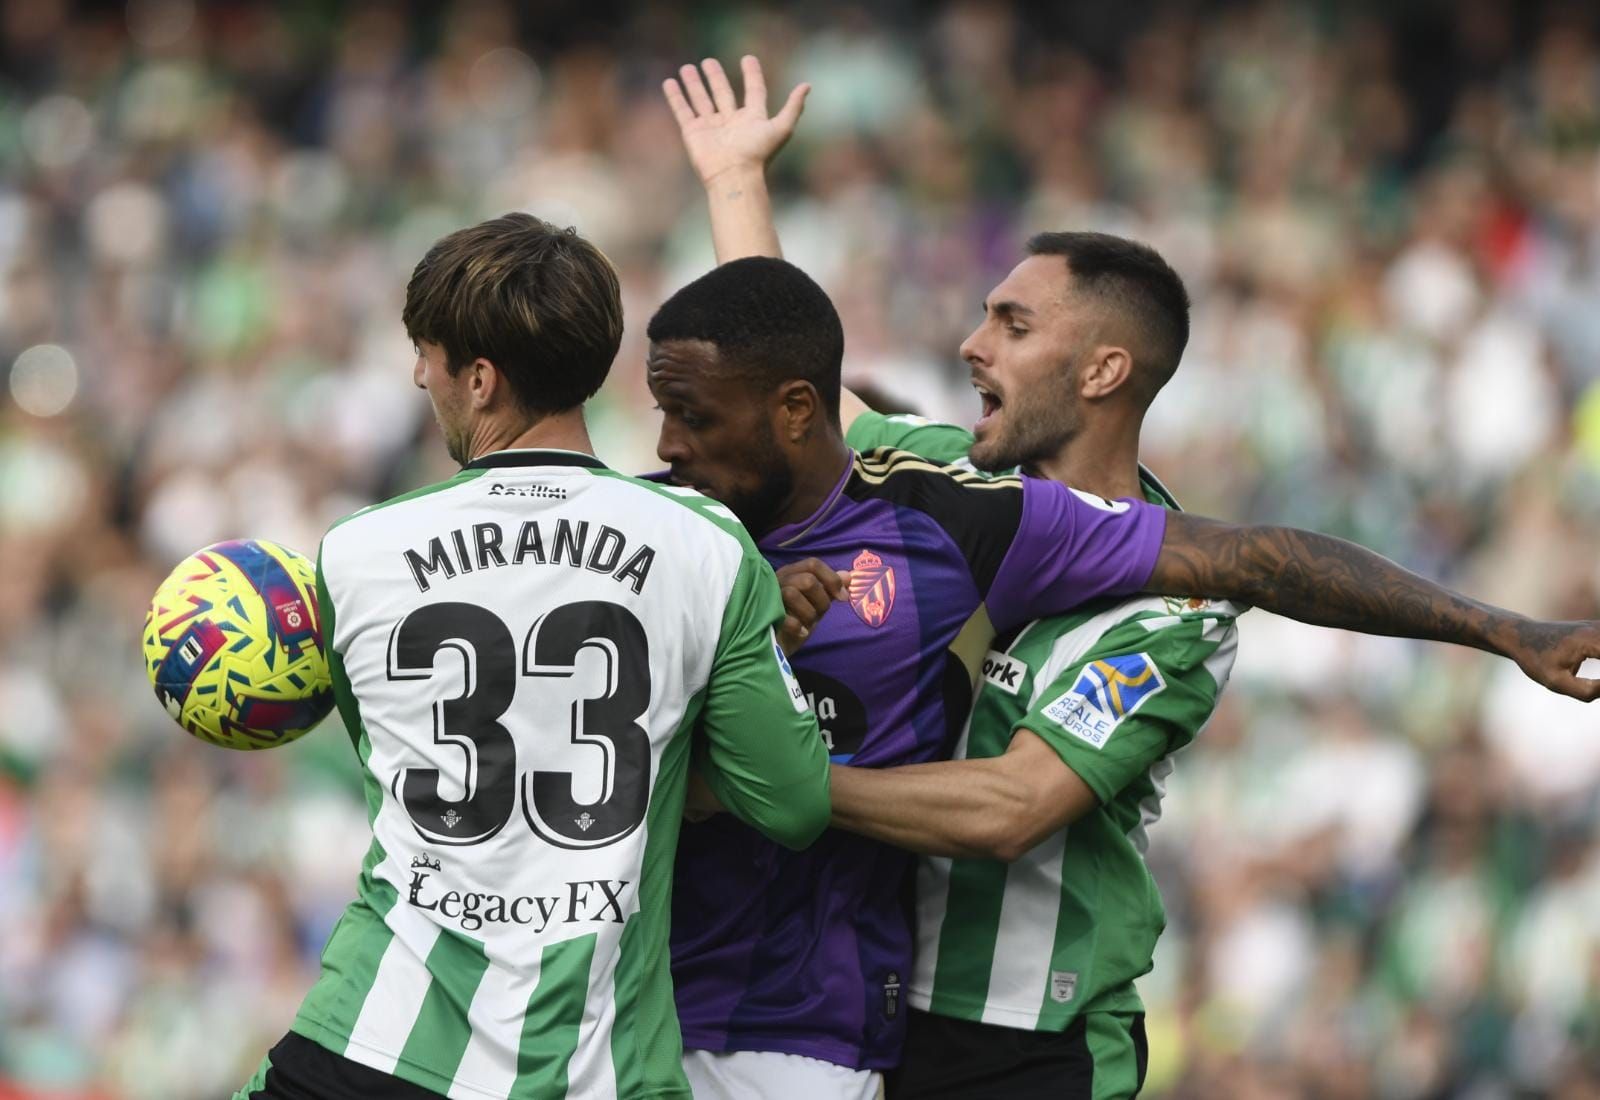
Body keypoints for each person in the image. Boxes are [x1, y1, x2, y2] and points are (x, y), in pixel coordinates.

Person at [657, 56, 1600, 1100]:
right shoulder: (945, 486)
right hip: (885, 1018)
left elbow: (1013, 803)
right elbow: (784, 389)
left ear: (1103, 371)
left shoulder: (1174, 608)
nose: (971, 344)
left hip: (1034, 1045)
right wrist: (735, 179)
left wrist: (768, 783)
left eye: (1013, 325)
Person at [233, 212, 833, 1100]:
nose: (419, 376)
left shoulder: (356, 552)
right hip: (598, 1069)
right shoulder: (706, 545)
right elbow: (795, 803)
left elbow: (396, 760)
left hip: (373, 1047)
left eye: (428, 356)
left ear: (480, 380)